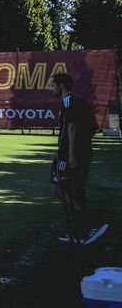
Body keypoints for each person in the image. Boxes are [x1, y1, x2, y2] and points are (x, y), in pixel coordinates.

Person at [50, 72, 108, 245]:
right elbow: (92, 128)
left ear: (61, 86)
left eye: (52, 85)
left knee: (62, 189)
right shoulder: (80, 102)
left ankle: (84, 226)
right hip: (82, 153)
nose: (50, 88)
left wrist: (71, 154)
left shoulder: (68, 101)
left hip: (69, 155)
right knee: (74, 190)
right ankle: (83, 227)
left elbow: (72, 128)